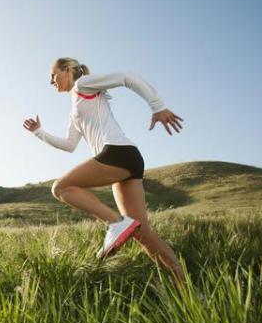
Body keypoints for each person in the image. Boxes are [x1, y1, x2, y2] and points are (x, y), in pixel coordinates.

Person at [23, 57, 186, 288]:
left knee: (61, 188)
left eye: (53, 75)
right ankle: (187, 290)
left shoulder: (84, 85)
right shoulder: (76, 107)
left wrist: (157, 106)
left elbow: (126, 77)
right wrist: (39, 132)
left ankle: (115, 223)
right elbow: (70, 145)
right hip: (126, 160)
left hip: (117, 153)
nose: (51, 81)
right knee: (142, 233)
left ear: (67, 70)